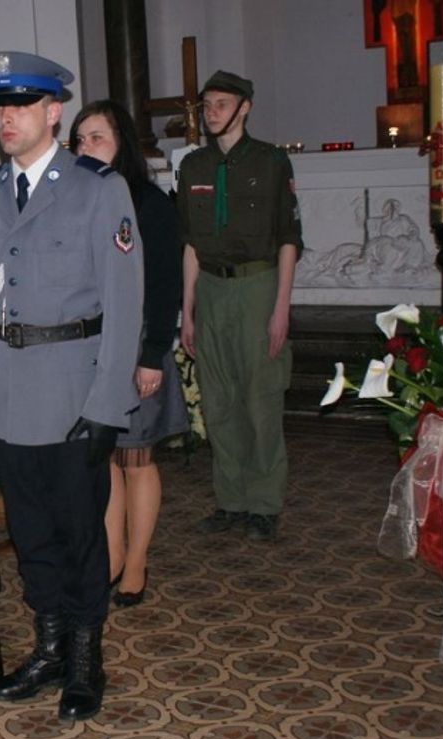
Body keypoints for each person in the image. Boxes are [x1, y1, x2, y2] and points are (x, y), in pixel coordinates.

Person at [0, 51, 143, 721]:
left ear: (52, 112)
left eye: (19, 106)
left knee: (80, 533)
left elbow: (125, 305)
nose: (5, 118)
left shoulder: (98, 189)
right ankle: (50, 646)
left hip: (73, 394)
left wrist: (107, 403)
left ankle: (86, 659)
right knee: (30, 532)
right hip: (8, 396)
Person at [70, 101, 190, 608]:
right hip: (92, 346)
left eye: (96, 137)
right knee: (104, 457)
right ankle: (111, 555)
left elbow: (163, 285)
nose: (85, 148)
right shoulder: (76, 200)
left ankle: (135, 561)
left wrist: (151, 355)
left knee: (136, 457)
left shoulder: (147, 202)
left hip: (139, 342)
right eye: (78, 140)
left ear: (122, 142)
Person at [176, 71, 302, 542]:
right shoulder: (193, 167)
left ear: (244, 107)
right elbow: (189, 242)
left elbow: (289, 239)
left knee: (260, 398)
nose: (211, 112)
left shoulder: (271, 162)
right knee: (219, 400)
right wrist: (187, 309)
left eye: (221, 103)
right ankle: (230, 500)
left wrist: (281, 308)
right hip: (210, 288)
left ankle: (264, 504)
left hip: (258, 286)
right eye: (207, 104)